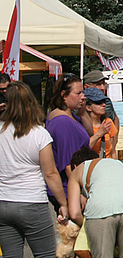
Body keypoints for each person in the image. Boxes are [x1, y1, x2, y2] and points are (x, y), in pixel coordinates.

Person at [0, 81, 68, 257]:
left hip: (3, 200)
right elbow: (50, 173)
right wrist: (63, 203)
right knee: (44, 254)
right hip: (31, 201)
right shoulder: (39, 134)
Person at [67, 147, 123, 258]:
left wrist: (85, 225)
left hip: (101, 209)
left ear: (74, 166)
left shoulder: (76, 172)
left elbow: (74, 213)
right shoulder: (115, 164)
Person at [44, 74, 95, 212]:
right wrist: (78, 194)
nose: (83, 96)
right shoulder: (63, 122)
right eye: (78, 93)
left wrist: (83, 112)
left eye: (82, 92)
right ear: (64, 95)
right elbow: (68, 164)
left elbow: (90, 132)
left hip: (74, 185)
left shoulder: (68, 115)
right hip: (69, 189)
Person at [83, 70, 120, 144]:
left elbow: (114, 119)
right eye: (98, 84)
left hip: (104, 146)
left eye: (103, 84)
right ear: (86, 86)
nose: (102, 88)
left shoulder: (107, 101)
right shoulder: (79, 103)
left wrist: (114, 139)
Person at [84, 87, 117, 158]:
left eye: (104, 101)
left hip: (107, 165)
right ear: (88, 107)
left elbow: (113, 151)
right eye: (98, 102)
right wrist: (99, 133)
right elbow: (82, 150)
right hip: (91, 166)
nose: (103, 105)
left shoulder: (108, 122)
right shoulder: (82, 125)